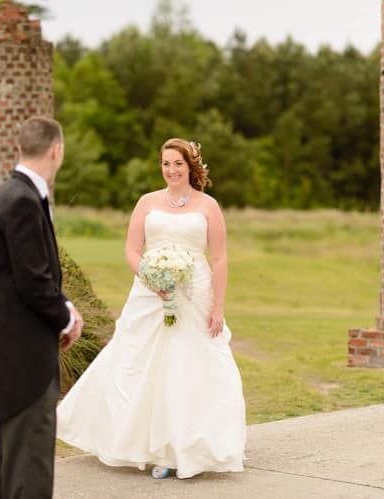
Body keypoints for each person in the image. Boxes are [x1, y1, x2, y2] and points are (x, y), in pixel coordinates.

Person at [55, 138, 246, 479]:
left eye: (178, 164)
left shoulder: (208, 206)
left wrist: (217, 306)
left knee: (189, 366)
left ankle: (180, 450)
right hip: (149, 294)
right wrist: (153, 277)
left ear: (191, 167)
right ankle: (144, 446)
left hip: (194, 294)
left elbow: (218, 259)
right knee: (135, 363)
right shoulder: (146, 202)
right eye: (166, 164)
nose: (171, 170)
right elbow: (131, 250)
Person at [0, 116, 85, 498]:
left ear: (19, 147)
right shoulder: (24, 199)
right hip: (24, 360)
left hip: (9, 356)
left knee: (7, 466)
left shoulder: (11, 192)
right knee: (29, 467)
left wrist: (65, 305)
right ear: (56, 150)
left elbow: (24, 274)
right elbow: (32, 281)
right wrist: (67, 319)